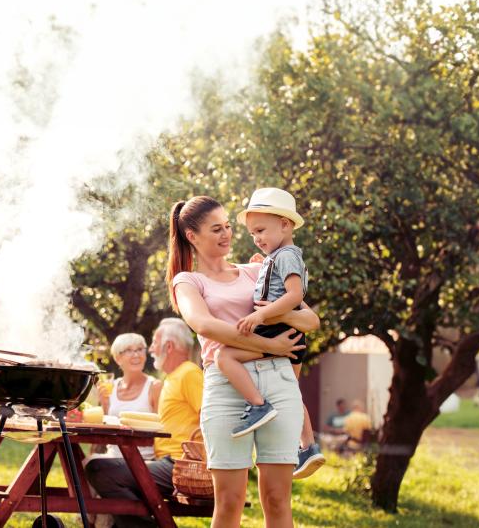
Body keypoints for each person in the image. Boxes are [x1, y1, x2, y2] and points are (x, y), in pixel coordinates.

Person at [167, 195, 320, 527]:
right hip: (226, 388)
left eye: (228, 227)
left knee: (278, 500)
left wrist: (277, 328)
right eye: (216, 229)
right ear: (192, 236)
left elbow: (309, 322)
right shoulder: (188, 282)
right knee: (229, 502)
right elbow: (206, 325)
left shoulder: (257, 271)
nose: (226, 235)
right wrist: (270, 343)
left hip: (277, 382)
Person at [213, 187, 326, 478]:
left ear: (285, 224)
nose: (257, 238)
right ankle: (308, 447)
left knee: (225, 356)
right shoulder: (278, 256)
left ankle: (258, 405)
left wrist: (260, 314)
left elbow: (293, 295)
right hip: (289, 333)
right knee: (292, 390)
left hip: (277, 330)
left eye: (261, 230)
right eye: (253, 234)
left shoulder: (287, 256)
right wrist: (261, 266)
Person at [85, 318, 203, 528]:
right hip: (165, 461)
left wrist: (199, 461)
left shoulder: (189, 373)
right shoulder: (173, 378)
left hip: (178, 465)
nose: (150, 350)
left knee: (99, 470)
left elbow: (209, 418)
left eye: (154, 344)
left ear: (168, 346)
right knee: (96, 467)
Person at [98, 332, 162, 460]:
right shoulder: (109, 387)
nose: (136, 355)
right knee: (81, 465)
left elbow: (160, 430)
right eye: (128, 350)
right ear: (117, 358)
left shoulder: (155, 386)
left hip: (144, 459)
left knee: (89, 466)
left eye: (140, 349)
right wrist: (102, 403)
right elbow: (104, 427)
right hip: (112, 456)